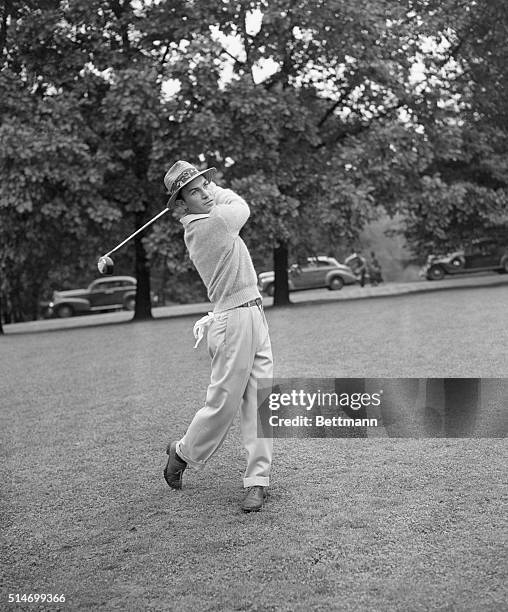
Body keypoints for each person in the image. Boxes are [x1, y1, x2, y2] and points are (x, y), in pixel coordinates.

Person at [162, 160, 273, 513]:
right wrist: (216, 184)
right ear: (181, 205)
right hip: (233, 322)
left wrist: (203, 182)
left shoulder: (204, 216)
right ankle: (180, 453)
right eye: (195, 191)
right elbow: (242, 206)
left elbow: (223, 202)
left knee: (262, 402)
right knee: (224, 405)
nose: (206, 194)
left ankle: (257, 481)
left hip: (253, 313)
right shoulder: (213, 222)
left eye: (205, 186)